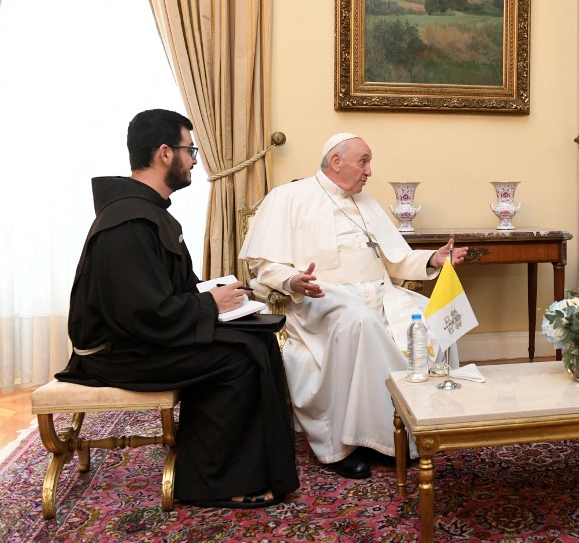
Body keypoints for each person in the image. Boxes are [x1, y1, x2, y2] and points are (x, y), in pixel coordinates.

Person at [57, 109, 299, 509]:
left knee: (258, 340)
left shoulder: (149, 211)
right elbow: (138, 314)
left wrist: (214, 294)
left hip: (141, 338)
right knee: (238, 358)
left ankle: (254, 469)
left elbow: (162, 293)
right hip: (117, 354)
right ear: (165, 153)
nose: (194, 160)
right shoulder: (128, 222)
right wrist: (209, 304)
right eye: (191, 150)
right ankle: (211, 482)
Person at [239, 133, 468, 480]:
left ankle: (404, 435)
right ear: (336, 161)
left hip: (380, 293)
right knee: (360, 323)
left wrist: (433, 258)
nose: (369, 172)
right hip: (319, 296)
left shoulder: (368, 204)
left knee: (438, 318)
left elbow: (397, 262)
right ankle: (344, 445)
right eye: (363, 162)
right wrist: (292, 281)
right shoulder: (288, 198)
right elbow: (264, 266)